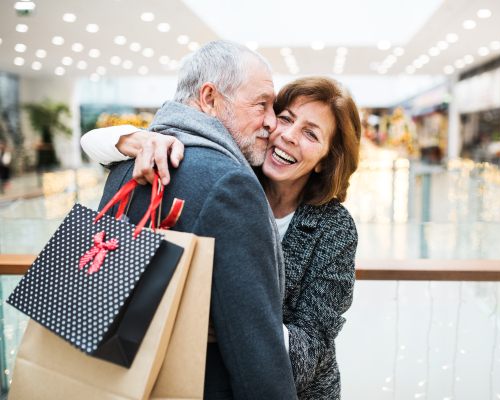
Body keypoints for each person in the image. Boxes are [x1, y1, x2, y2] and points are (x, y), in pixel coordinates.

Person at [83, 75, 361, 399]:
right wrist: (133, 138)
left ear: (326, 160)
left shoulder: (335, 229)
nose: (288, 135)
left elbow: (309, 352)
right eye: (285, 118)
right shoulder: (230, 177)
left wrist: (237, 321)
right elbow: (93, 144)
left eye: (310, 133)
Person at [89, 40, 297, 400]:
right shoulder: (229, 183)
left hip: (114, 379)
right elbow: (255, 353)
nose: (271, 120)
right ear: (209, 98)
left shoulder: (128, 164)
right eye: (261, 103)